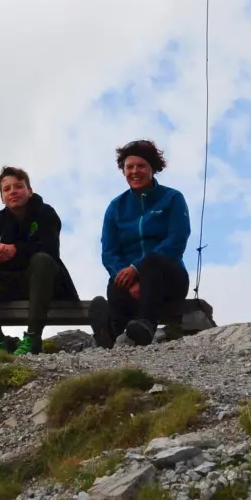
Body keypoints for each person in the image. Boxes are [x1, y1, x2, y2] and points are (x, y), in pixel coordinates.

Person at [0, 166, 79, 354]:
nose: (13, 192)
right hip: (9, 283)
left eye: (18, 186)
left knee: (41, 260)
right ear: (2, 197)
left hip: (46, 283)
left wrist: (15, 251)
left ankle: (33, 338)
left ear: (29, 190)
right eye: (7, 189)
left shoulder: (46, 213)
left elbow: (50, 251)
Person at [89, 140, 192, 348]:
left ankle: (146, 325)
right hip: (131, 281)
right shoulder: (115, 207)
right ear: (123, 171)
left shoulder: (172, 198)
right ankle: (112, 333)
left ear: (152, 168)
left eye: (141, 166)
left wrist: (137, 269)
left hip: (170, 279)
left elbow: (176, 241)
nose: (135, 171)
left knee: (152, 261)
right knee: (116, 282)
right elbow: (109, 252)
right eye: (129, 167)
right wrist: (129, 276)